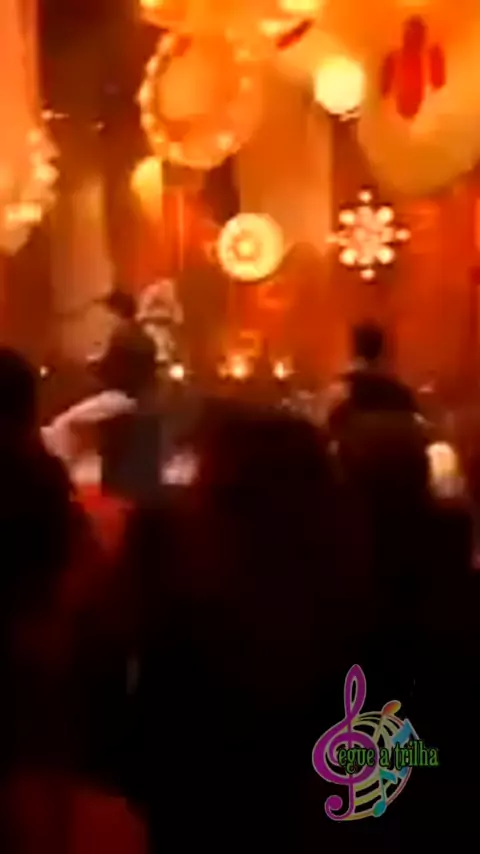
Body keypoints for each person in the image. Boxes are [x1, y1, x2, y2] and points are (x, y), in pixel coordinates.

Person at [327, 322, 418, 433]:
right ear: (383, 350)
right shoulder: (402, 394)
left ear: (355, 349)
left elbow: (328, 428)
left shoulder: (342, 392)